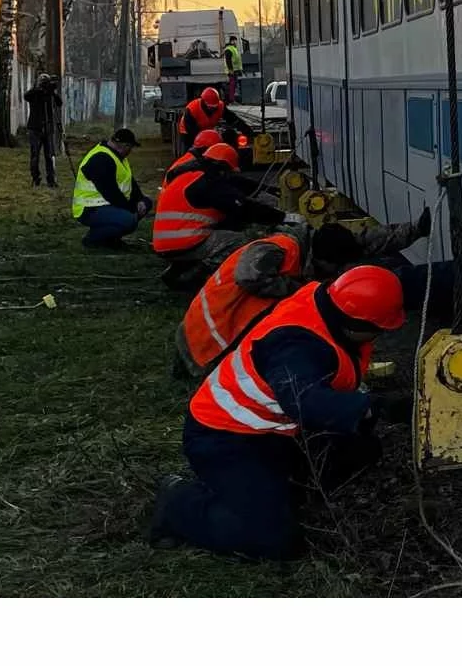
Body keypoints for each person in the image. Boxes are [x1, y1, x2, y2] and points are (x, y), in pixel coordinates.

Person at [150, 266, 405, 559]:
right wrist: (377, 407)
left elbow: (397, 290)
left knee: (360, 450)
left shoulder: (330, 303)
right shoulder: (295, 346)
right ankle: (178, 502)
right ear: (354, 323)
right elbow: (305, 402)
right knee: (274, 539)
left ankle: (270, 493)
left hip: (274, 432)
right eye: (379, 329)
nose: (380, 336)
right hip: (224, 438)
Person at [173, 209, 438, 378]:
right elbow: (247, 277)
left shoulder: (322, 245)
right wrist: (298, 289)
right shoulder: (279, 249)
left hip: (208, 333)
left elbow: (366, 242)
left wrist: (415, 229)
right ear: (319, 260)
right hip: (208, 345)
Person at [151, 142, 285, 290]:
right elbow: (243, 207)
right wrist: (280, 218)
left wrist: (267, 189)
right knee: (242, 242)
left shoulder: (191, 175)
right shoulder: (209, 183)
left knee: (218, 231)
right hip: (184, 243)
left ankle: (176, 271)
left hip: (164, 244)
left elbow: (235, 184)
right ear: (223, 168)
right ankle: (197, 276)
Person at [71, 128, 150, 250]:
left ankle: (110, 238)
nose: (131, 151)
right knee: (129, 220)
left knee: (146, 204)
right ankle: (93, 239)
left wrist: (141, 200)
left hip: (105, 205)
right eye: (130, 147)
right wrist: (132, 208)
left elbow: (130, 183)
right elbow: (111, 193)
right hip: (90, 208)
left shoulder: (117, 157)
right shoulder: (101, 159)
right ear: (125, 146)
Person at [24, 73, 64, 188]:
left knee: (49, 155)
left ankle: (51, 179)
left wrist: (52, 92)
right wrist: (38, 89)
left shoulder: (50, 94)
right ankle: (35, 178)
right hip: (35, 128)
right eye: (44, 82)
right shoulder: (34, 93)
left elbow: (59, 103)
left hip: (48, 129)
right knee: (35, 155)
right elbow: (26, 96)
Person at [177, 87, 225, 156]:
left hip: (205, 129)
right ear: (204, 103)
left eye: (214, 107)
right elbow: (191, 130)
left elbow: (230, 118)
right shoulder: (192, 109)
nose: (212, 109)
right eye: (210, 107)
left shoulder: (221, 106)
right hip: (188, 132)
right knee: (191, 151)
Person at [223, 36, 243, 103]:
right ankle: (231, 100)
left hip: (235, 70)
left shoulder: (234, 48)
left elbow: (237, 60)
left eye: (235, 41)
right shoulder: (229, 49)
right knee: (232, 85)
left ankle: (232, 99)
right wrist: (231, 70)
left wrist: (239, 69)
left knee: (234, 86)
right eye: (234, 41)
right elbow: (228, 61)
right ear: (231, 41)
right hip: (231, 71)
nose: (235, 42)